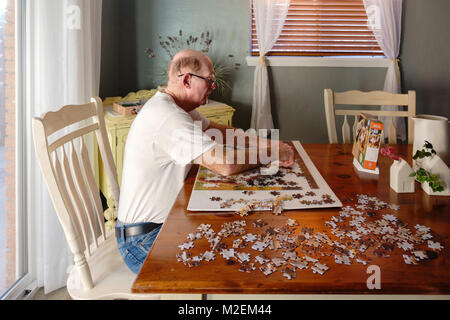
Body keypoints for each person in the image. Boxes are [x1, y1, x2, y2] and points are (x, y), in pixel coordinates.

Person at [116, 49, 294, 274]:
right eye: (210, 80)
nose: (214, 86)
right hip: (143, 240)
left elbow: (222, 133)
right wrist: (272, 153)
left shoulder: (180, 108)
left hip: (163, 224)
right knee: (227, 270)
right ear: (188, 80)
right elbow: (225, 164)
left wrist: (269, 145)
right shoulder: (168, 116)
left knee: (235, 239)